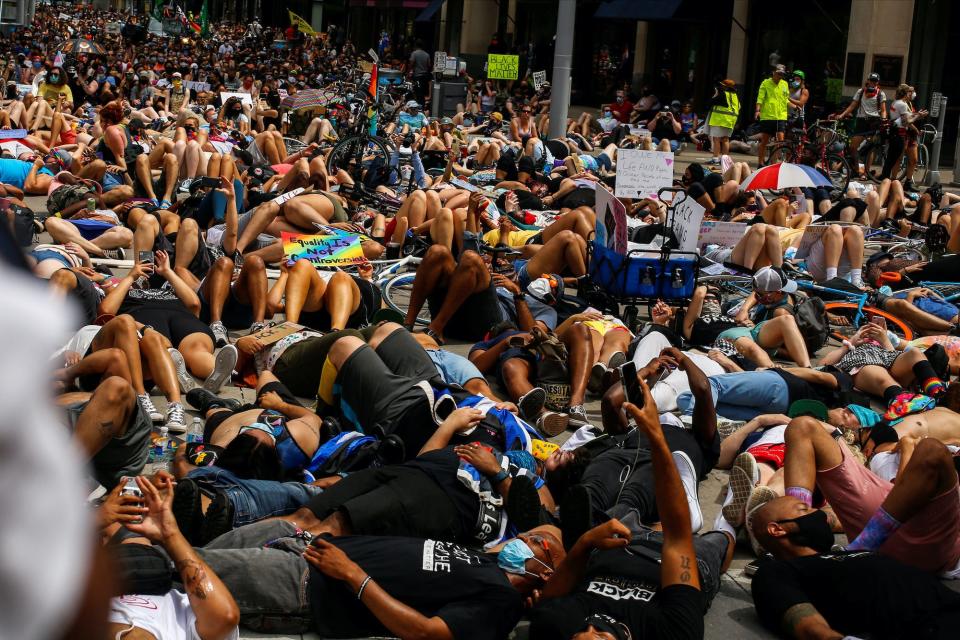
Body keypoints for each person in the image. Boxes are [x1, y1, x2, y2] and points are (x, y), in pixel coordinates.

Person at [530, 378, 735, 639]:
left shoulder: (555, 627)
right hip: (680, 563)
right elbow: (677, 539)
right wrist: (655, 436)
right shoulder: (670, 633)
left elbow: (549, 603)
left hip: (613, 547)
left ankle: (559, 520)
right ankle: (731, 515)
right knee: (719, 542)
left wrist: (584, 543)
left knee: (623, 505)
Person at [751, 416, 960, 576]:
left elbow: (906, 489)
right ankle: (798, 540)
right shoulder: (878, 459)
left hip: (922, 533)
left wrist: (906, 448)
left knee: (932, 449)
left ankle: (853, 553)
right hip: (879, 511)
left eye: (865, 432)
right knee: (801, 425)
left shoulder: (895, 454)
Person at [105, 475, 241, 640]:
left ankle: (136, 496)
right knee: (272, 532)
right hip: (163, 575)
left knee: (120, 534)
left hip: (121, 568)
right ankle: (189, 531)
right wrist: (170, 534)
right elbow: (225, 618)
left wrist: (99, 517)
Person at [836, 72, 888, 179]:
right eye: (871, 80)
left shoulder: (880, 94)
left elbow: (883, 110)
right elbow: (852, 106)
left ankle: (866, 173)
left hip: (874, 122)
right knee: (853, 146)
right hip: (861, 121)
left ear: (877, 83)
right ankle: (855, 169)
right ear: (868, 81)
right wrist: (842, 115)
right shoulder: (860, 92)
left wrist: (883, 119)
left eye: (875, 81)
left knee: (869, 148)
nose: (873, 83)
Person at [755, 64, 790, 166]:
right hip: (768, 116)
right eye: (779, 74)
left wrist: (795, 106)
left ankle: (773, 163)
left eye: (782, 74)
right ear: (773, 72)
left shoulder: (784, 84)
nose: (780, 76)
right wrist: (758, 110)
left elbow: (786, 99)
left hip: (781, 116)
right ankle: (760, 163)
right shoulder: (765, 83)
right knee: (764, 141)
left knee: (780, 141)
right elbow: (760, 98)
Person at [408, 39, 432, 106]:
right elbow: (429, 65)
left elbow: (411, 63)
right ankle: (422, 106)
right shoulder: (427, 55)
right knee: (423, 93)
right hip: (425, 76)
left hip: (417, 76)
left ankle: (418, 106)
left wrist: (409, 71)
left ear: (416, 45)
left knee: (417, 93)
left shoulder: (414, 53)